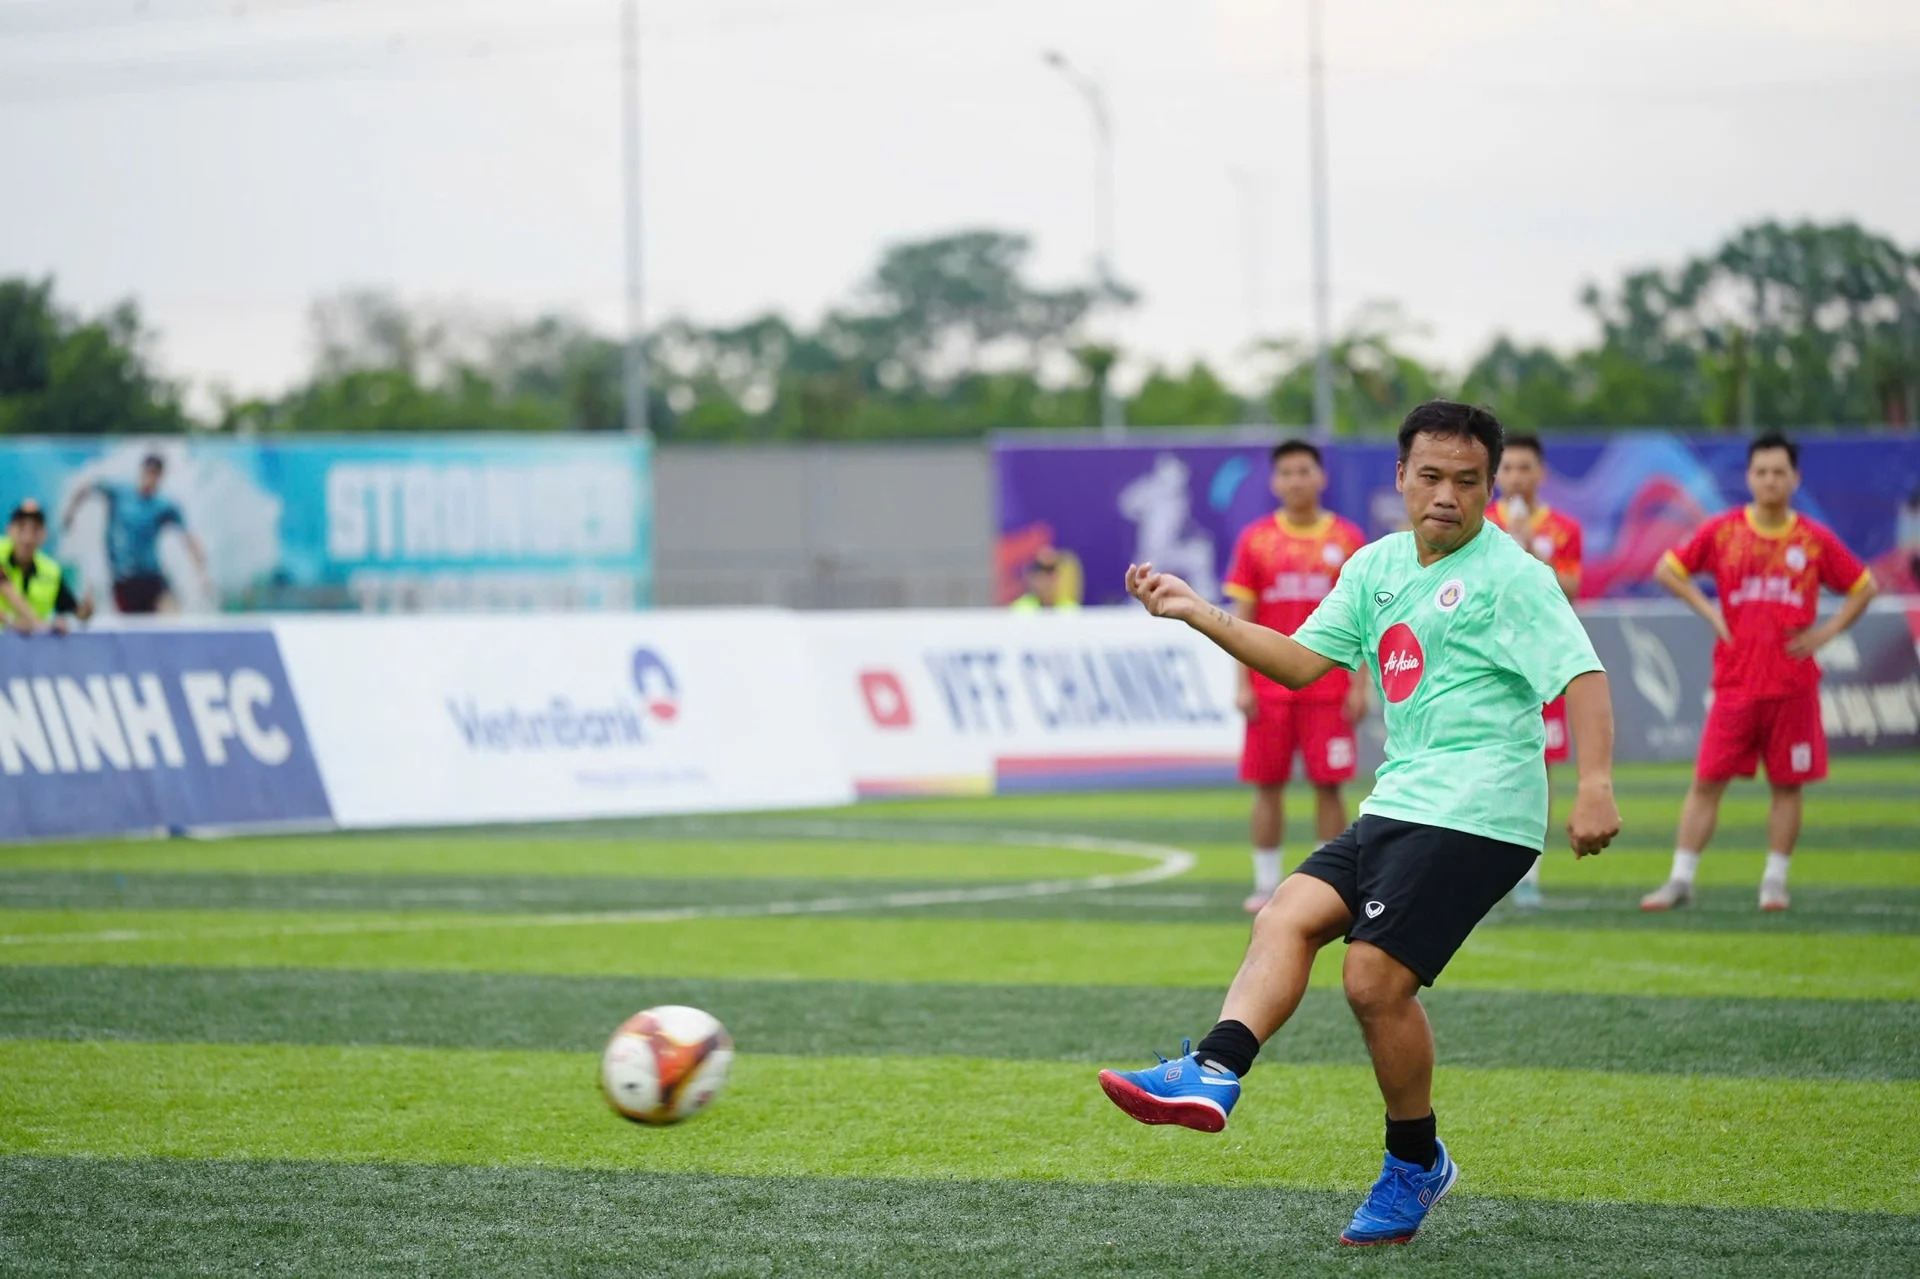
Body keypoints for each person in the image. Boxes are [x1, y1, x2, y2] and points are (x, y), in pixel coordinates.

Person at [1098, 400, 1620, 1248]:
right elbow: (1303, 662)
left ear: (1490, 487)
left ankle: (1413, 1163)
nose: (1446, 494)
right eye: (1430, 476)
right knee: (1287, 913)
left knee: (1372, 979)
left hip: (1484, 808)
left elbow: (1583, 674)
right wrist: (1198, 611)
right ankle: (1216, 1067)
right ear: (1401, 476)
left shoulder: (1513, 576)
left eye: (1467, 481)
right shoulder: (1374, 565)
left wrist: (1594, 784)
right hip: (1402, 798)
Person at [1640, 432, 1877, 913]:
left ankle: (1774, 882)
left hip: (1793, 686)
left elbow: (1864, 586)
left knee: (1787, 785)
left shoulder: (1812, 539)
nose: (1770, 480)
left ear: (1795, 479)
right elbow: (1668, 570)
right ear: (1749, 477)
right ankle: (1680, 880)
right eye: (1762, 472)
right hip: (1735, 684)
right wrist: (1709, 611)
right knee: (1707, 782)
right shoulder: (1723, 531)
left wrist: (1825, 633)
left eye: (1778, 472)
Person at [1222, 440, 1368, 913]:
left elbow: (1366, 619)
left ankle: (1329, 885)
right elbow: (1240, 619)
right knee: (1268, 785)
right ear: (1274, 481)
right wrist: (1242, 684)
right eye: (1286, 472)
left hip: (1329, 687)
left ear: (1321, 477)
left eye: (1304, 471)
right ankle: (1266, 884)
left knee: (1329, 785)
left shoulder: (1348, 540)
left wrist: (1360, 685)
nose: (1296, 480)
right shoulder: (1256, 540)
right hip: (1269, 688)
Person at [1485, 433, 1584, 909]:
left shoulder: (1563, 529)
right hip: (1488, 662)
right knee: (1482, 761)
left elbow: (1570, 590)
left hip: (1540, 664)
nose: (1517, 477)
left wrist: (1528, 547)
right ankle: (1478, 873)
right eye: (1508, 468)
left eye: (1525, 467)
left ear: (1541, 472)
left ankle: (1528, 875)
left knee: (1537, 767)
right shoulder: (1480, 523)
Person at [62, 453, 208, 614]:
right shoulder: (119, 492)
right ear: (141, 472)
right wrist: (70, 513)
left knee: (171, 614)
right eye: (148, 473)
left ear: (160, 478)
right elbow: (87, 487)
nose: (150, 480)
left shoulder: (164, 505)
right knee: (135, 624)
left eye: (155, 476)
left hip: (152, 576)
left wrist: (202, 573)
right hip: (124, 579)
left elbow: (188, 538)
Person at [0, 500, 92, 633]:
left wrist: (87, 611)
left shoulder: (50, 571)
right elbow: (4, 585)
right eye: (21, 528)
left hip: (34, 645)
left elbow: (76, 610)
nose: (27, 538)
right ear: (9, 529)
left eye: (35, 530)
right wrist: (20, 622)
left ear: (44, 534)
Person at [1008, 548, 1080, 613]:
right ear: (1033, 579)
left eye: (1051, 574)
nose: (1047, 582)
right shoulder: (1021, 609)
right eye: (1042, 575)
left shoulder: (1070, 610)